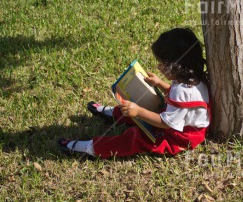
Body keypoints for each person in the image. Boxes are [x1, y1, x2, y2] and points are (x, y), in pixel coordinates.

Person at [58, 28, 211, 158]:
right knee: (141, 108)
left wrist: (138, 111)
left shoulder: (181, 91)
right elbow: (182, 103)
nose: (158, 67)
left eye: (162, 64)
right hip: (181, 124)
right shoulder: (194, 78)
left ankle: (89, 148)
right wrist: (160, 84)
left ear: (176, 66)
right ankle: (115, 114)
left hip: (180, 138)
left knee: (134, 137)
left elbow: (165, 123)